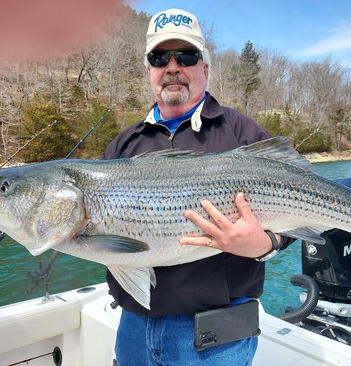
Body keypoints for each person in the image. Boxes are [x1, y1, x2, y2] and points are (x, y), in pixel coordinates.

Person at [103, 8, 289, 366]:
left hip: (217, 340)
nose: (172, 66)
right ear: (149, 71)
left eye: (185, 56)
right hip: (133, 330)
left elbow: (302, 214)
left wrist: (264, 245)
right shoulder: (122, 147)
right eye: (160, 57)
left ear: (204, 68)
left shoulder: (241, 133)